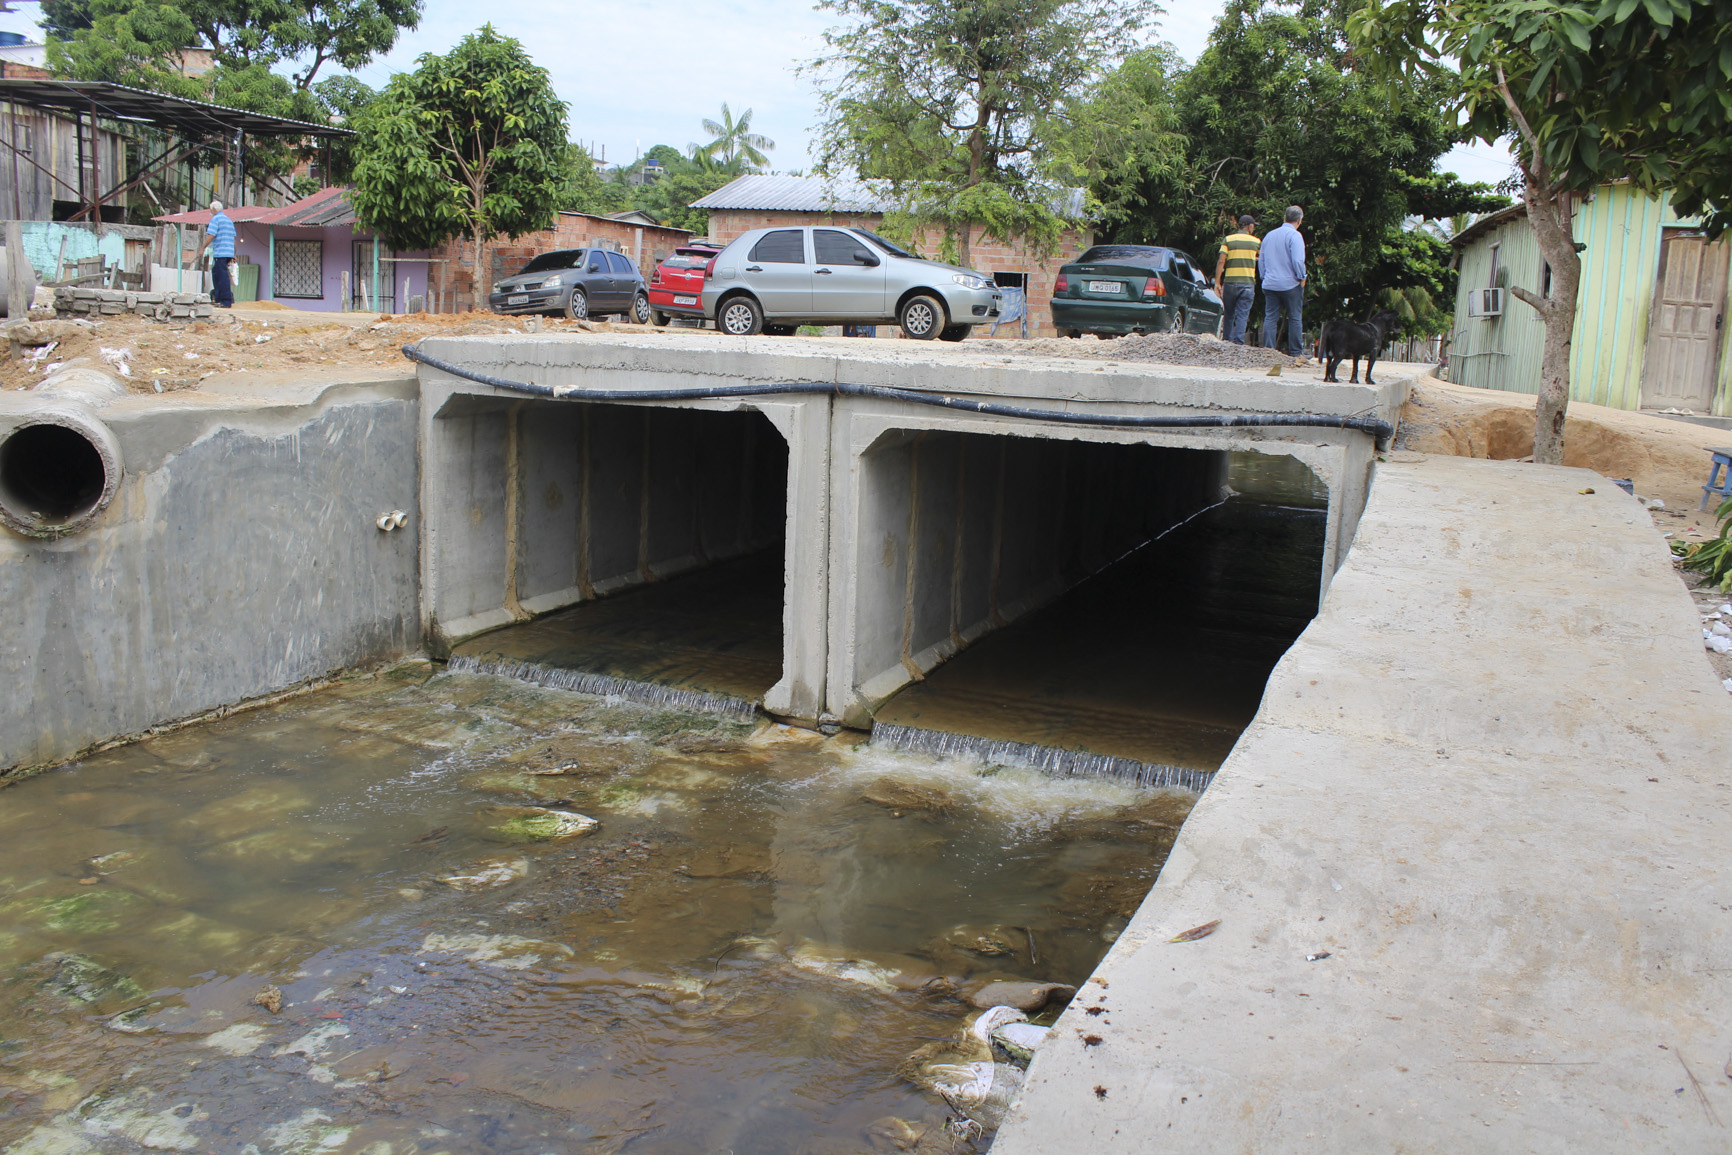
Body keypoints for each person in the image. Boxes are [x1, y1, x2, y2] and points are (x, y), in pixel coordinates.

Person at [1258, 204, 1307, 357]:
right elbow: (1298, 261)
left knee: (1271, 317)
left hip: (1270, 283)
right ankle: (1296, 352)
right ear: (1299, 221)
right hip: (1290, 284)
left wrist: (1264, 277)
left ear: (1285, 217)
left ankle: (1269, 351)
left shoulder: (1269, 235)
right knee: (1294, 317)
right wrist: (1302, 277)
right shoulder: (1295, 236)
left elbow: (1262, 260)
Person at [1213, 214, 1260, 344]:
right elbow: (1261, 259)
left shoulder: (1228, 240)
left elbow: (1221, 261)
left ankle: (1226, 340)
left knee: (1229, 314)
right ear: (1250, 226)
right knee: (1243, 314)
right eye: (1253, 226)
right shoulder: (1256, 242)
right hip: (1247, 283)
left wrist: (1217, 281)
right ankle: (1238, 343)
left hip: (1230, 283)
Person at [196, 199, 238, 308]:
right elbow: (234, 239)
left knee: (222, 276)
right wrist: (234, 253)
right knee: (217, 273)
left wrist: (202, 248)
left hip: (221, 252)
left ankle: (225, 301)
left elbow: (211, 235)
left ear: (214, 209)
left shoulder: (215, 219)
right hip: (229, 252)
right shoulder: (229, 220)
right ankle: (219, 298)